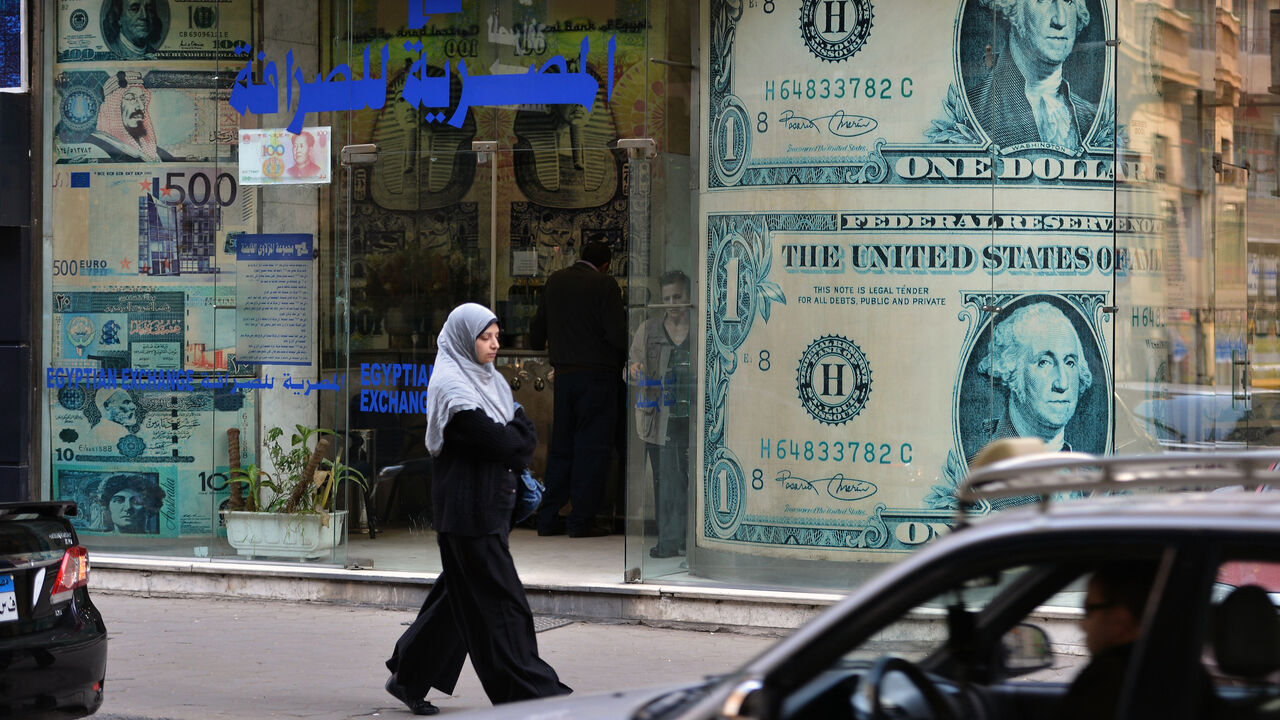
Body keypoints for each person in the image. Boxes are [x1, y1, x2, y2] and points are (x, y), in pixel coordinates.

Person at [385, 303, 571, 715]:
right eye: (485, 338)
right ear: (464, 341)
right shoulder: (454, 388)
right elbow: (508, 442)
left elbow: (522, 434)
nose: (494, 345)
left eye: (497, 337)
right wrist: (514, 439)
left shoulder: (491, 382)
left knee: (457, 601)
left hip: (488, 510)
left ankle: (408, 676)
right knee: (504, 609)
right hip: (469, 515)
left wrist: (514, 439)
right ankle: (534, 698)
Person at [529, 238, 627, 538]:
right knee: (591, 449)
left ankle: (548, 517)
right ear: (606, 264)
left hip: (565, 378)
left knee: (562, 448)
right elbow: (618, 335)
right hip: (598, 379)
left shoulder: (555, 281)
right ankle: (581, 520)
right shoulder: (605, 285)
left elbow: (536, 334)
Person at [966, 0, 1098, 151]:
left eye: (1069, 1)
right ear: (1011, 7)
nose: (1060, 20)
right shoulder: (972, 113)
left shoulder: (1093, 120)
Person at [628, 271, 692, 558]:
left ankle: (690, 540)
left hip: (693, 417)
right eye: (666, 298)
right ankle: (668, 540)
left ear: (689, 297)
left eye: (677, 297)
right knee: (665, 481)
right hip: (658, 418)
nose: (672, 303)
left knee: (692, 480)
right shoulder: (649, 329)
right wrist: (633, 370)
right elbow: (630, 365)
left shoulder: (700, 326)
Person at [976, 302, 1092, 453]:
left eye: (1070, 362)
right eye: (1044, 362)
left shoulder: (1091, 473)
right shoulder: (971, 470)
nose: (1062, 383)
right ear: (1012, 371)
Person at [86, 71, 177, 162]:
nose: (141, 106)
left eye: (142, 99)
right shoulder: (94, 146)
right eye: (131, 98)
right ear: (113, 108)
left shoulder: (158, 154)